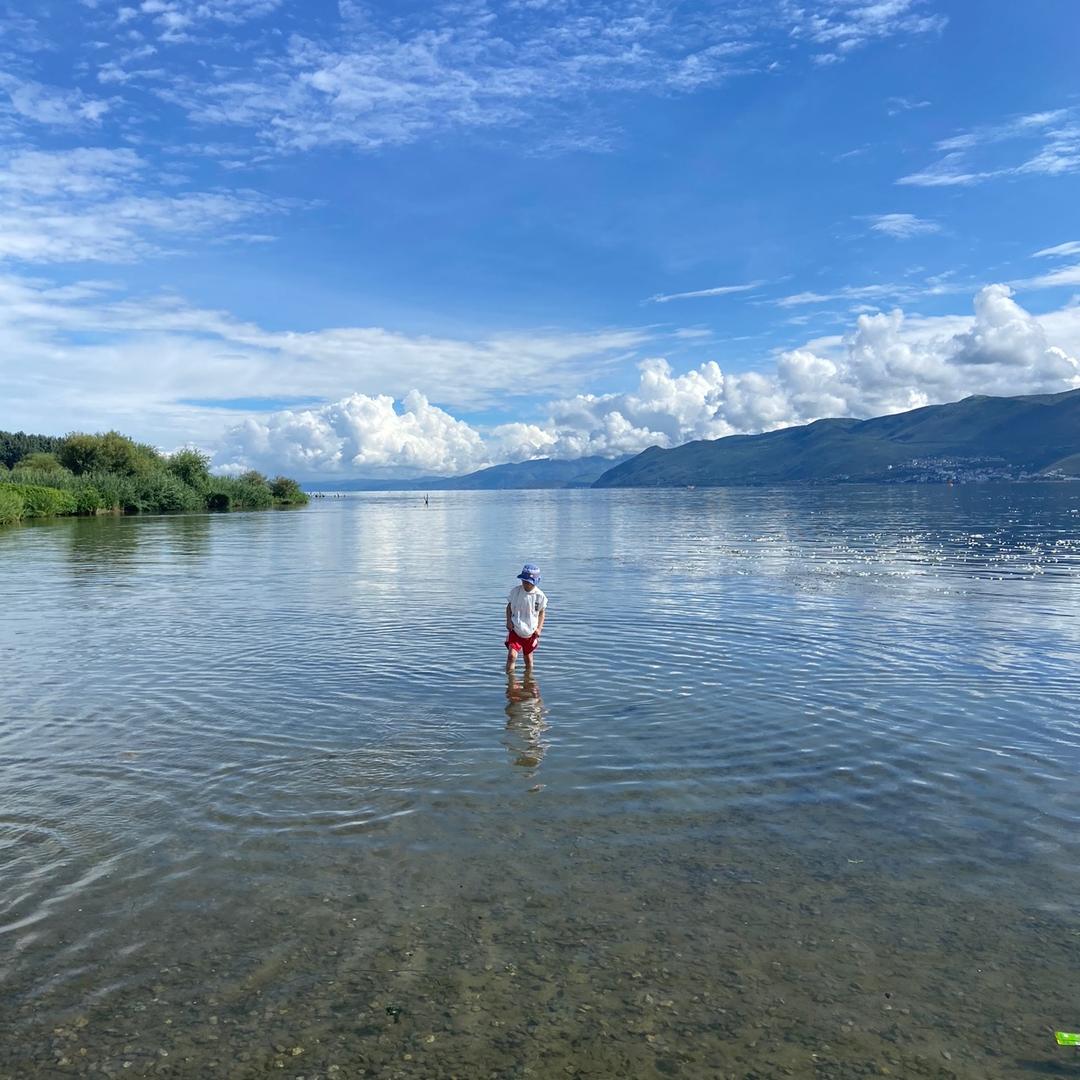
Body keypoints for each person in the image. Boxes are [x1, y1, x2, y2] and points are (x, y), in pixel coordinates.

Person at [505, 563, 547, 673]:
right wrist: (509, 621)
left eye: (529, 582)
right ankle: (510, 682)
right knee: (511, 656)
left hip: (530, 631)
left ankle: (529, 681)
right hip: (516, 628)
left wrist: (539, 628)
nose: (526, 584)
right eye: (524, 581)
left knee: (528, 659)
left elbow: (542, 612)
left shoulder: (540, 596)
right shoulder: (516, 592)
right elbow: (509, 607)